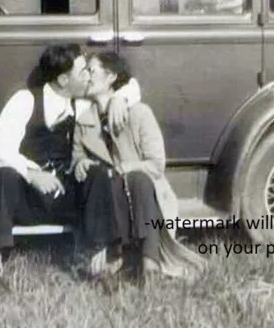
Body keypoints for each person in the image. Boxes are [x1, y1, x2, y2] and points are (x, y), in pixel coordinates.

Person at [0, 43, 141, 301]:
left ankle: (98, 262)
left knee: (96, 173)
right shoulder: (26, 100)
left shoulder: (82, 103)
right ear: (64, 79)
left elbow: (129, 85)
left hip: (65, 195)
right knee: (5, 174)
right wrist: (32, 174)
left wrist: (121, 97)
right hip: (28, 198)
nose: (89, 75)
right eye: (83, 71)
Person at [72, 51, 207, 287]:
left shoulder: (140, 113)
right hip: (108, 199)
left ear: (111, 76)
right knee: (110, 178)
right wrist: (80, 164)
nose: (86, 77)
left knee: (138, 178)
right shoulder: (83, 120)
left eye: (91, 71)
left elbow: (155, 164)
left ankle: (149, 264)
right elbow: (76, 161)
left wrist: (123, 168)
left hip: (143, 193)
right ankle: (120, 258)